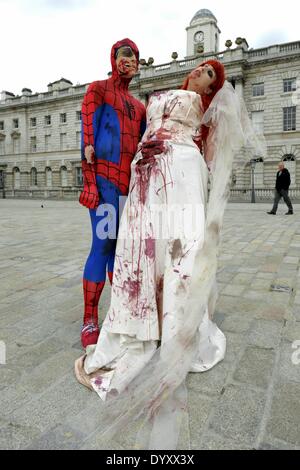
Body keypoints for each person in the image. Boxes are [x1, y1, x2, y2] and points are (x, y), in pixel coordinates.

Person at [74, 60, 262, 449]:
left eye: (211, 75)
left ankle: (175, 325)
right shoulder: (154, 97)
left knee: (179, 248)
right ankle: (144, 322)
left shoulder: (209, 106)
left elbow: (214, 149)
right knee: (141, 249)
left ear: (213, 89)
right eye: (203, 69)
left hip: (179, 168)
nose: (202, 73)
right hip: (145, 169)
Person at [79, 39, 146, 349]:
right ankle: (89, 317)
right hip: (105, 182)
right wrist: (90, 183)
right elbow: (89, 141)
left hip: (128, 188)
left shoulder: (140, 107)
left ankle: (116, 312)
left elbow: (145, 148)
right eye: (124, 54)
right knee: (103, 245)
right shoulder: (97, 90)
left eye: (134, 56)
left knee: (121, 251)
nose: (129, 60)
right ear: (113, 58)